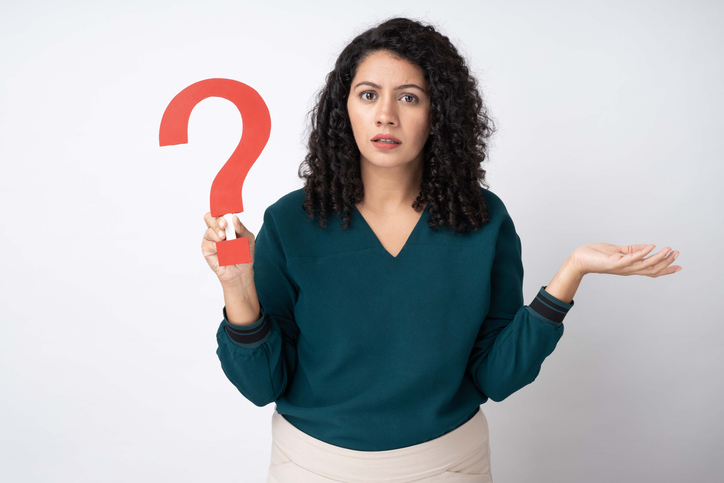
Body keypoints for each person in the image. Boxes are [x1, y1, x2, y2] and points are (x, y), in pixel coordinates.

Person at [201, 17, 682, 483]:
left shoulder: (483, 220)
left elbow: (497, 377)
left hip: (448, 466)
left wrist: (570, 274)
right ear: (343, 109)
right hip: (310, 466)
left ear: (439, 115)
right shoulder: (289, 222)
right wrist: (238, 287)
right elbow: (261, 385)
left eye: (409, 98)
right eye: (368, 95)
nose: (385, 114)